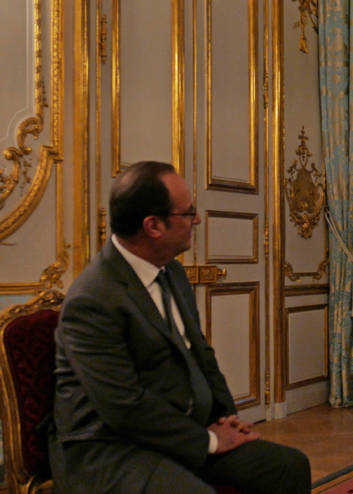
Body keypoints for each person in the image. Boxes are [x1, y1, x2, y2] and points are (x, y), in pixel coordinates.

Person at [50, 161, 311, 494]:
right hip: (110, 446)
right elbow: (124, 408)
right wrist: (207, 441)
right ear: (154, 225)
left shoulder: (171, 272)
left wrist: (226, 419)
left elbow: (201, 353)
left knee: (288, 466)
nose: (197, 220)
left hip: (179, 430)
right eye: (188, 213)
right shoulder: (93, 299)